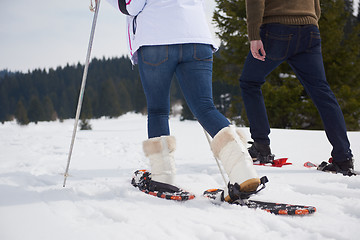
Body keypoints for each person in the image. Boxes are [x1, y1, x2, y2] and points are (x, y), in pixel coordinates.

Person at [104, 0, 263, 200]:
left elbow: (132, 5)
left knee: (158, 110)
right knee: (206, 107)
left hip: (157, 38)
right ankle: (244, 171)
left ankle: (163, 176)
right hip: (197, 37)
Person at [240, 0, 355, 175]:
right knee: (322, 92)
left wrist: (254, 35)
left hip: (276, 29)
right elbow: (316, 5)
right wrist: (309, 20)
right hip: (309, 28)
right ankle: (344, 158)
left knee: (250, 82)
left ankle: (261, 147)